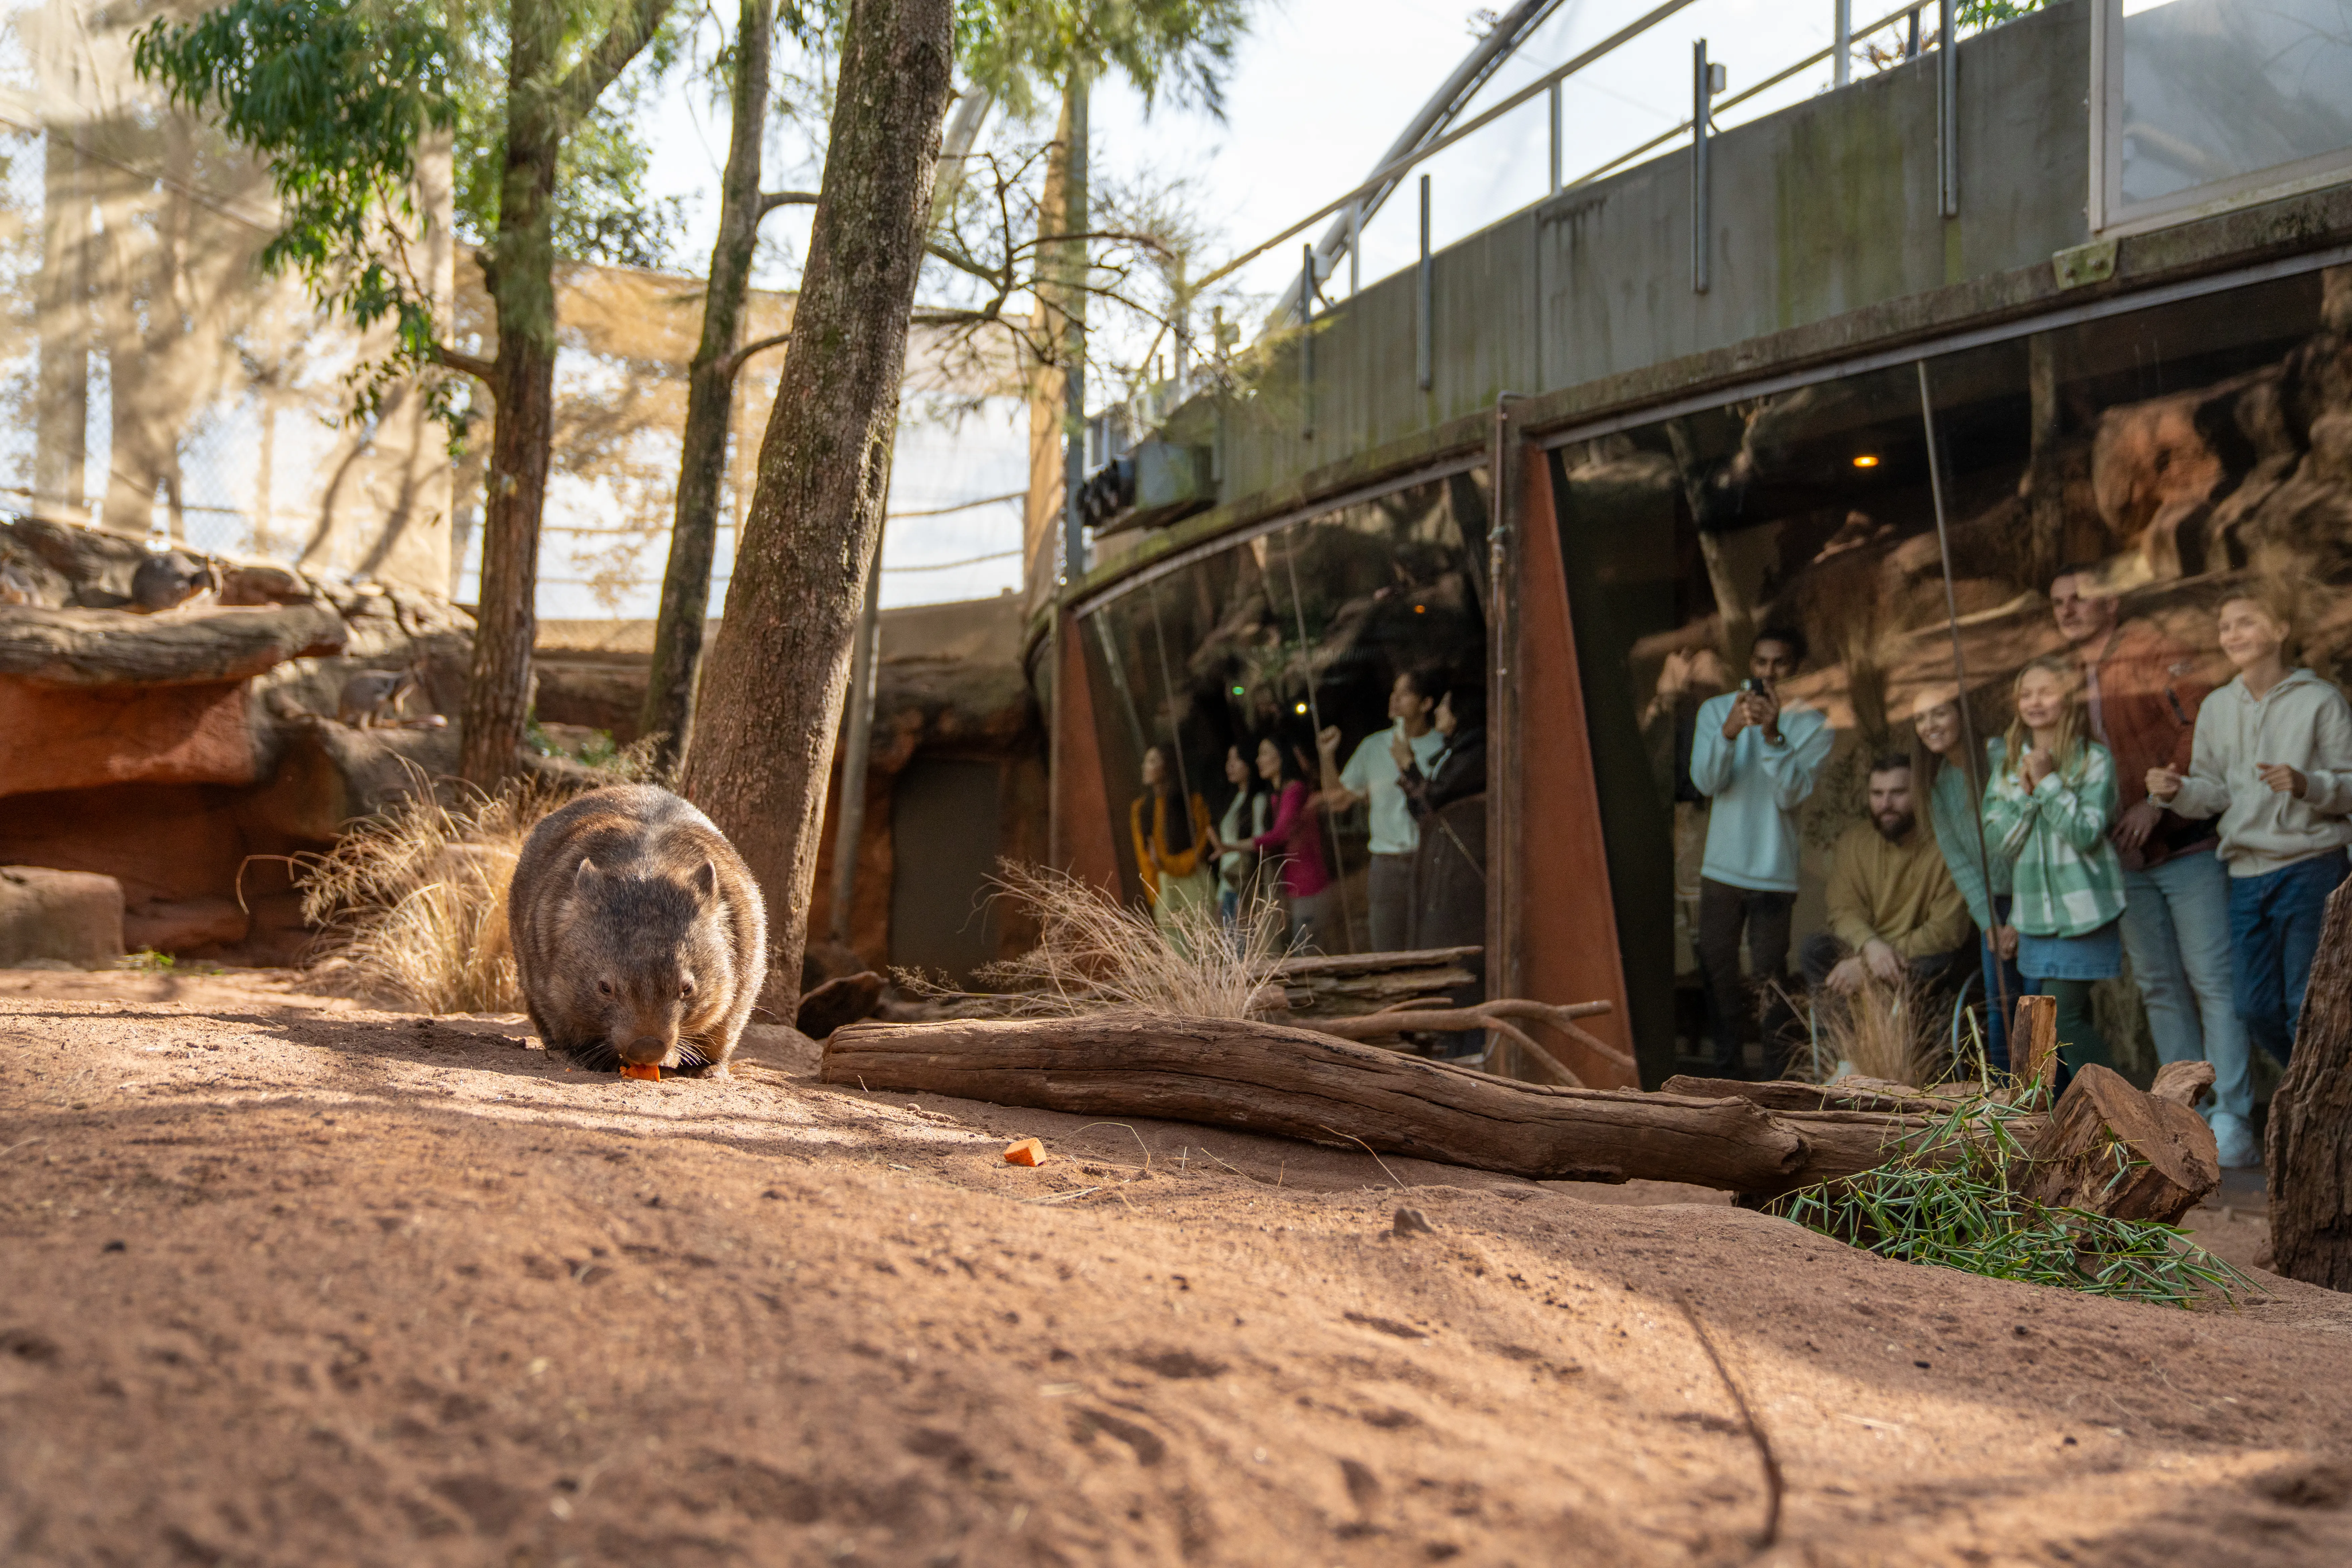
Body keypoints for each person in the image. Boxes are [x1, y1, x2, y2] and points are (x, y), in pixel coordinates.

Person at [2051, 566, 2253, 1163]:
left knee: (2212, 981)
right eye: (2058, 601)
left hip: (2184, 842)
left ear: (2110, 602)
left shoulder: (2150, 648)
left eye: (2079, 596)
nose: (2067, 608)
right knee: (2159, 986)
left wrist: (2155, 802)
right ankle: (2178, 1111)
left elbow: (2199, 727)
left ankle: (2233, 1114)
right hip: (2123, 855)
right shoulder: (2066, 672)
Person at [2149, 587, 2352, 1078]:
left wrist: (2308, 784)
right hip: (2245, 877)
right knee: (2255, 1008)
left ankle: (2322, 1112)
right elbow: (2214, 793)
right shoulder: (2218, 707)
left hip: (2313, 869)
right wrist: (2177, 792)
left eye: (2246, 622)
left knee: (2305, 1008)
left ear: (2281, 630)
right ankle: (2319, 1099)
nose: (2232, 634)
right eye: (2225, 626)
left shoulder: (2321, 701)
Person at [1687, 626, 1833, 1078]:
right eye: (1761, 663)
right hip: (1721, 870)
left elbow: (1791, 795)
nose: (1768, 673)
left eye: (1780, 664)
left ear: (1796, 669)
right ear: (1749, 666)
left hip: (1774, 872)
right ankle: (1727, 1073)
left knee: (1769, 979)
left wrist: (1772, 737)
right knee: (1717, 973)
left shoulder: (1812, 725)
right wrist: (1729, 734)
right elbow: (1705, 783)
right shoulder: (1716, 711)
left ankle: (1774, 1080)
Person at [1982, 656, 2123, 1080]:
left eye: (2045, 691)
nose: (2035, 701)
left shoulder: (2093, 760)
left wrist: (2048, 782)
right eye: (2026, 694)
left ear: (2069, 699)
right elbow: (2000, 843)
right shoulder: (2008, 766)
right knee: (2037, 1032)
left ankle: (2126, 1115)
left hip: (2084, 912)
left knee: (2067, 1021)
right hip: (2035, 920)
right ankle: (2050, 1126)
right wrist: (2029, 796)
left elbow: (2087, 832)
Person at [1798, 752, 1971, 1001]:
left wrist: (1870, 965)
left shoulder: (1946, 845)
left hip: (1918, 956)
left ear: (1920, 794)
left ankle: (1908, 1040)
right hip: (1868, 946)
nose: (1886, 804)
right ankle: (1845, 1040)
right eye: (1877, 794)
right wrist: (1870, 947)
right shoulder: (1854, 842)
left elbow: (1945, 932)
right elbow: (1843, 911)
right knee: (1815, 949)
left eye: (1898, 793)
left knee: (1938, 963)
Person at [1912, 690, 2023, 1070]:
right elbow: (1959, 862)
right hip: (1993, 908)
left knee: (2040, 1009)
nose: (1930, 726)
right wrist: (1990, 922)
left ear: (1962, 713)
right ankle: (2011, 1107)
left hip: (2036, 898)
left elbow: (2031, 840)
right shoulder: (1936, 782)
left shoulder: (2000, 757)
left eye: (1939, 713)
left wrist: (2020, 917)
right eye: (1921, 719)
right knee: (2001, 1010)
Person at [1316, 666, 1448, 952]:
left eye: (1405, 694)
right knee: (1388, 951)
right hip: (1387, 863)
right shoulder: (1374, 746)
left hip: (1431, 861)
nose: (1394, 699)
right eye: (1393, 692)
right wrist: (1327, 757)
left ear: (1426, 704)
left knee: (1432, 949)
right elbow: (1338, 801)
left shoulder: (1443, 747)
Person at [1399, 677, 1487, 954]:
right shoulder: (1452, 751)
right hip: (1441, 861)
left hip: (1461, 866)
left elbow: (1437, 797)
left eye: (1445, 706)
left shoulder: (1476, 751)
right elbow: (1424, 810)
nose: (1438, 710)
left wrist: (1409, 766)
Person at [1246, 733, 1335, 952]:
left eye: (1265, 753)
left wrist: (1234, 846)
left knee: (1307, 954)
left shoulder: (1294, 791)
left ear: (1282, 758)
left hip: (1309, 885)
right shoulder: (1277, 797)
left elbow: (1279, 835)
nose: (1259, 760)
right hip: (1297, 887)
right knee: (1303, 952)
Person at [1129, 745, 1215, 946]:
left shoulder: (1190, 800)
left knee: (1207, 945)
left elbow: (1202, 845)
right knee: (1177, 952)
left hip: (1193, 880)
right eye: (1146, 761)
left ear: (1167, 766)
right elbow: (1144, 857)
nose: (1145, 767)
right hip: (1164, 886)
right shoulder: (1140, 809)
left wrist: (1168, 865)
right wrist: (1155, 894)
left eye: (1153, 761)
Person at [1211, 742, 1272, 948]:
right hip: (1228, 884)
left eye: (1236, 759)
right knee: (1231, 950)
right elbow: (1225, 853)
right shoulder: (1234, 799)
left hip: (1246, 884)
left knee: (1245, 949)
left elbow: (1258, 843)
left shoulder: (1258, 800)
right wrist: (1221, 894)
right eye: (1229, 760)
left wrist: (1248, 895)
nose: (1230, 765)